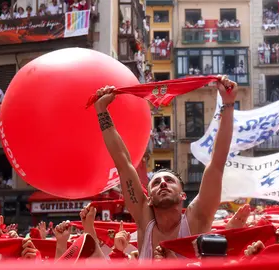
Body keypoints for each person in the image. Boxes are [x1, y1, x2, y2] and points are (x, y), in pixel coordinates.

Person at [91, 75, 237, 260]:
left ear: (183, 195)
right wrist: (101, 110)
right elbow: (123, 163)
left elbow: (217, 162)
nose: (162, 184)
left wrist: (228, 103)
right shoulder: (145, 221)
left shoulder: (197, 218)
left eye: (169, 180)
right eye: (156, 182)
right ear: (149, 199)